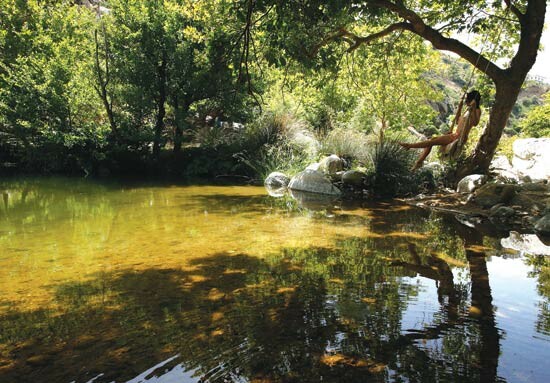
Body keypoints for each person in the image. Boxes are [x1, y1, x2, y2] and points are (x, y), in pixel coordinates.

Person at [400, 90, 482, 170]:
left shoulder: (477, 110)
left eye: (467, 100)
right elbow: (457, 121)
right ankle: (418, 163)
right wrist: (460, 107)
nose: (466, 101)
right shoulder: (467, 110)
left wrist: (474, 108)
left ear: (473, 100)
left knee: (432, 142)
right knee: (432, 140)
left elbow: (475, 123)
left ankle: (410, 146)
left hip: (459, 138)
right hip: (454, 135)